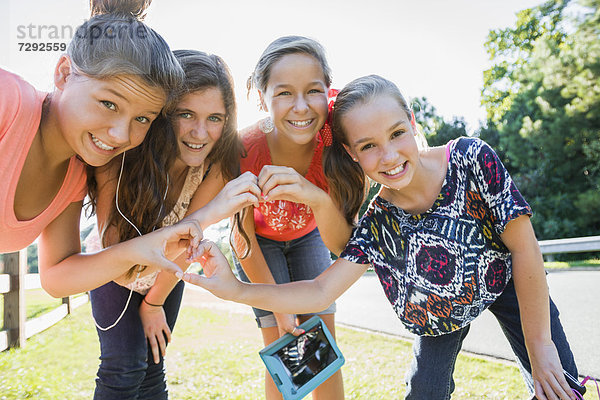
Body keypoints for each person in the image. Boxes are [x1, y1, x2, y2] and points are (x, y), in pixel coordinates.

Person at [180, 75, 581, 400]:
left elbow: (524, 246)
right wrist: (235, 289)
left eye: (396, 134)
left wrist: (540, 346)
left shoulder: (471, 159)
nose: (388, 156)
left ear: (412, 120)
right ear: (352, 154)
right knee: (424, 393)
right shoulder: (377, 223)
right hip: (439, 314)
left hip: (508, 285)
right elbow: (320, 290)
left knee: (560, 385)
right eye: (369, 146)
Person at [89, 49, 260, 399]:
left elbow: (189, 244)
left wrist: (154, 303)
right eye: (186, 114)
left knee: (153, 370)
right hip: (110, 269)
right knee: (124, 367)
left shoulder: (216, 166)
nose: (201, 132)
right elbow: (120, 260)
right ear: (165, 113)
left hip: (169, 274)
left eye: (215, 118)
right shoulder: (124, 155)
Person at [0, 0, 202, 297]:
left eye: (142, 118)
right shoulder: (8, 101)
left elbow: (57, 276)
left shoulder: (75, 176)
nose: (121, 134)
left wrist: (140, 248)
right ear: (65, 73)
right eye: (109, 104)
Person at [231, 36, 349, 400]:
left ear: (327, 91)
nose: (300, 107)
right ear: (261, 96)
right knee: (282, 344)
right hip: (259, 245)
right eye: (283, 93)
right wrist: (279, 306)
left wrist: (316, 198)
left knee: (321, 342)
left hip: (310, 237)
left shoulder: (337, 143)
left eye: (313, 91)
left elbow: (344, 244)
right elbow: (242, 240)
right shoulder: (244, 148)